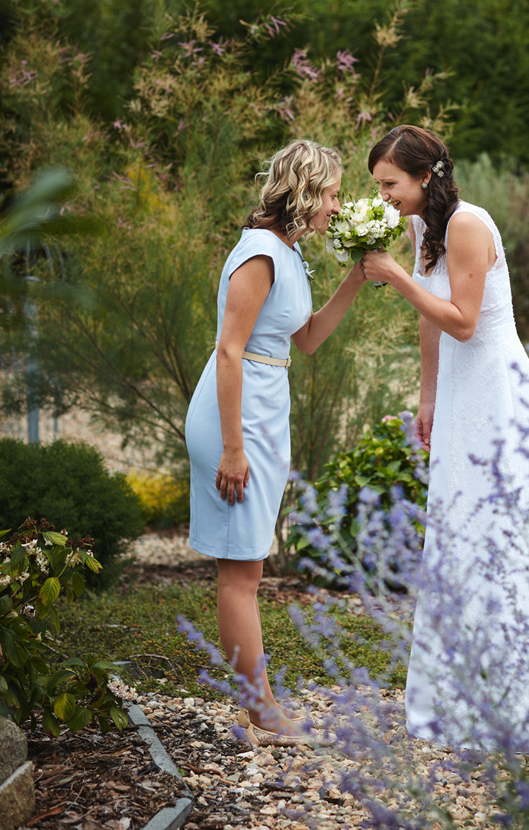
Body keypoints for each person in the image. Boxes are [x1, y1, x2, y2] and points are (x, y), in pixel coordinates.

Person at [360, 125, 529, 751]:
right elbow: (430, 321)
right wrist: (427, 395)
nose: (383, 196)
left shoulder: (468, 225)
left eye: (389, 184)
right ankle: (462, 690)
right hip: (455, 389)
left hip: (495, 389)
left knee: (506, 524)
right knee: (459, 523)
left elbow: (465, 322)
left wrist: (393, 276)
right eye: (378, 186)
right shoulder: (422, 227)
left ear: (425, 176)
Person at [185, 140, 365, 745]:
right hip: (234, 418)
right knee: (241, 570)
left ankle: (258, 703)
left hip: (264, 406)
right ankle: (260, 710)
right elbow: (228, 351)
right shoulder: (260, 253)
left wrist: (355, 278)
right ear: (306, 193)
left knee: (249, 564)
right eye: (332, 194)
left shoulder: (288, 251)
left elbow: (305, 339)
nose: (337, 206)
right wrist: (232, 448)